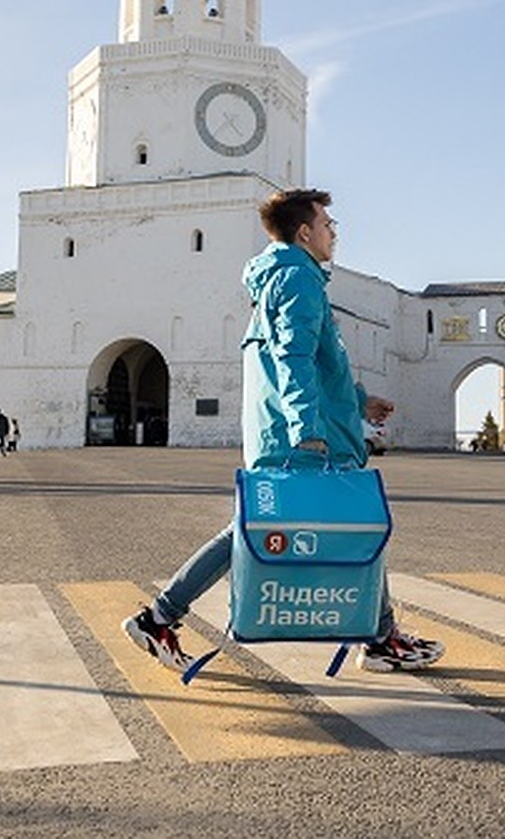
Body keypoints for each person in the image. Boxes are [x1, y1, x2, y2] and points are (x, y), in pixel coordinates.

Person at [122, 188, 444, 674]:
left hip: (289, 431)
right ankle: (160, 616)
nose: (334, 232)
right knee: (351, 524)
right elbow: (293, 359)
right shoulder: (297, 279)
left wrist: (358, 400)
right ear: (304, 231)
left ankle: (380, 635)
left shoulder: (285, 277)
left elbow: (314, 360)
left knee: (329, 526)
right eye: (328, 223)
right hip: (306, 439)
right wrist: (306, 429)